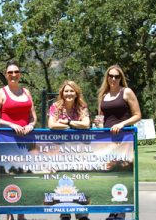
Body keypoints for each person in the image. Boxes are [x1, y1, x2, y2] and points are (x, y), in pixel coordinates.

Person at [0, 60, 37, 220]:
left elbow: (33, 117)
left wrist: (31, 125)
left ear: (20, 74)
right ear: (6, 74)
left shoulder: (27, 92)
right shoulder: (0, 93)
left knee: (24, 175)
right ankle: (9, 213)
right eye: (10, 72)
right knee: (8, 175)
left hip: (26, 141)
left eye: (16, 72)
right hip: (6, 141)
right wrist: (11, 124)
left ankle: (21, 215)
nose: (14, 75)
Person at [97, 65, 141, 220]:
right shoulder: (103, 95)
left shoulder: (126, 92)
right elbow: (101, 118)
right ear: (107, 77)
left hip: (124, 139)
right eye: (111, 76)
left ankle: (121, 212)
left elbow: (137, 115)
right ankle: (113, 210)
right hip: (107, 140)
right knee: (110, 174)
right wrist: (98, 126)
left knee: (123, 174)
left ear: (120, 77)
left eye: (117, 76)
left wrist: (122, 124)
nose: (113, 79)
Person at [48, 80, 90, 220]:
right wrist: (71, 127)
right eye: (66, 91)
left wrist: (68, 123)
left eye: (72, 91)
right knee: (63, 180)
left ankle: (81, 213)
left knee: (79, 179)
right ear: (62, 93)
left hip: (79, 150)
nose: (69, 93)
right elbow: (52, 125)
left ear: (76, 93)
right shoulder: (55, 106)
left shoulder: (82, 106)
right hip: (60, 150)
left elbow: (86, 124)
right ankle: (65, 212)